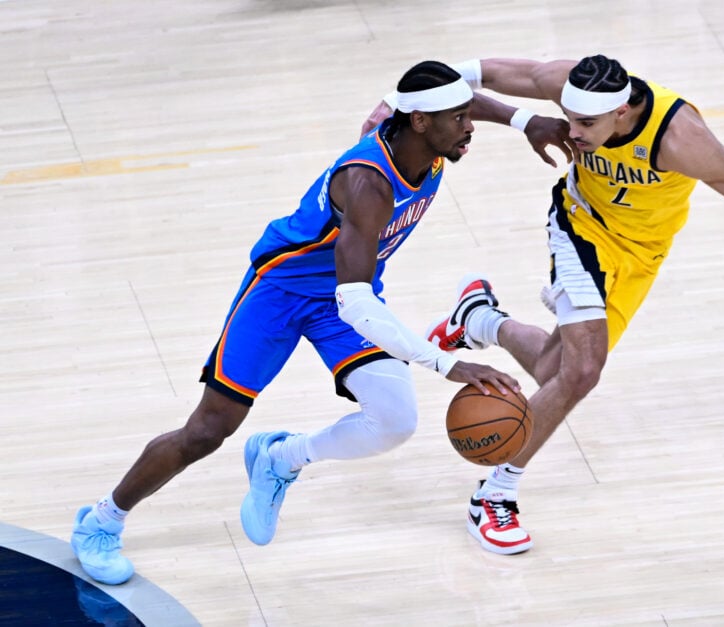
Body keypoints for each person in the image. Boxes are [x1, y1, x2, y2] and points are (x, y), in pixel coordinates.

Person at [70, 60, 577, 585]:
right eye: (458, 119)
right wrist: (446, 364)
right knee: (207, 431)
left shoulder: (427, 140)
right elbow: (356, 304)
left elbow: (457, 94)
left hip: (345, 292)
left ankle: (282, 458)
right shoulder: (368, 185)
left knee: (395, 420)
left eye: (467, 115)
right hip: (283, 293)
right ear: (420, 121)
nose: (469, 126)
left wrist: (523, 120)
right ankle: (101, 521)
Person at [366, 54, 724, 555]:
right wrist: (397, 99)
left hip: (643, 253)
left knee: (555, 370)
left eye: (586, 125)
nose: (573, 133)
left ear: (621, 113)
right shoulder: (569, 82)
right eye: (570, 118)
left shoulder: (683, 141)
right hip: (581, 228)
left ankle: (481, 319)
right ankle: (495, 495)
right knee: (582, 373)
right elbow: (485, 72)